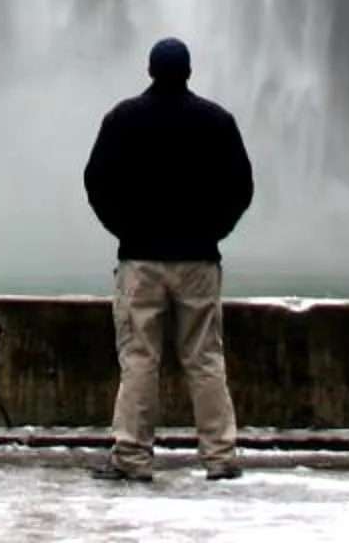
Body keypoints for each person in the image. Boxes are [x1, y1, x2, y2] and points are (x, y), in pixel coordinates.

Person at [81, 35, 254, 483]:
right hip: (198, 258)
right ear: (189, 72)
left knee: (139, 356)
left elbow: (96, 182)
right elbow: (241, 187)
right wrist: (214, 231)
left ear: (150, 71)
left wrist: (125, 230)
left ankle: (132, 456)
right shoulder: (217, 121)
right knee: (205, 357)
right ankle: (221, 455)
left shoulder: (123, 119)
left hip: (140, 259)